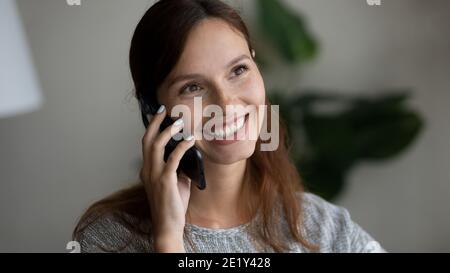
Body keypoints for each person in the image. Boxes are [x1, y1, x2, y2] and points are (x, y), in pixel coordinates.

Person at [73, 0, 385, 253]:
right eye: (193, 87)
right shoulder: (108, 238)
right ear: (153, 109)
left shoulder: (324, 229)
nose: (226, 104)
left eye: (238, 70)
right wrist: (168, 239)